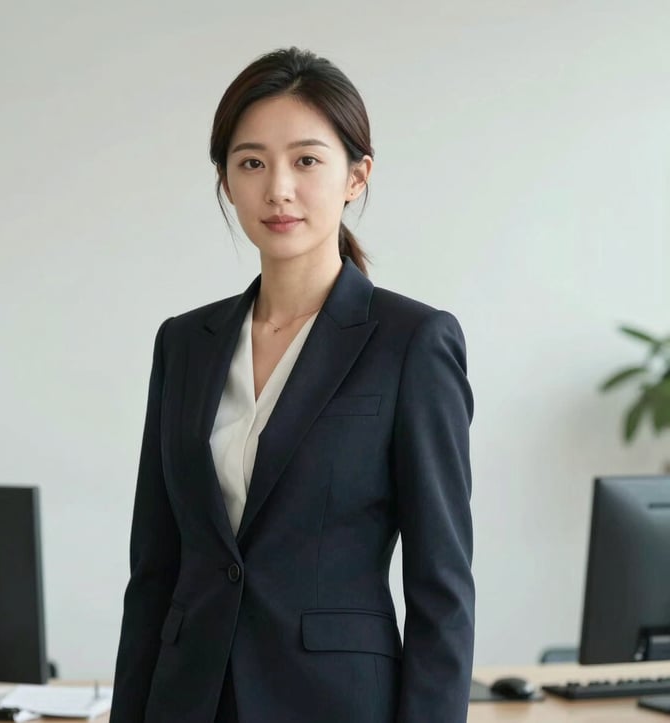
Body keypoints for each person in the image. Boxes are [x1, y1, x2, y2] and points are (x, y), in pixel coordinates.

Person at [110, 47, 474, 723]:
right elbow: (154, 572)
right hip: (187, 701)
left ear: (356, 176)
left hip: (332, 703)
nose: (278, 188)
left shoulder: (412, 343)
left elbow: (442, 590)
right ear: (226, 180)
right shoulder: (185, 343)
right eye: (252, 162)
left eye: (306, 160)